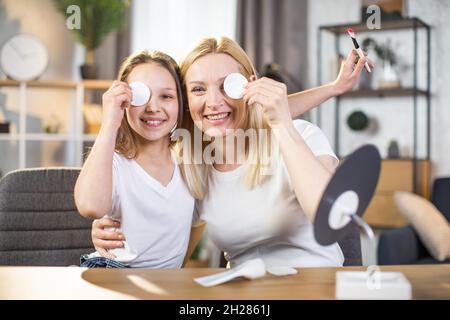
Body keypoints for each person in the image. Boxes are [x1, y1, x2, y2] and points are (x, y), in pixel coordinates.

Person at [90, 37, 374, 268]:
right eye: (198, 89)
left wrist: (282, 122)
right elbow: (173, 232)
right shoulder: (192, 166)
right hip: (242, 296)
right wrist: (117, 229)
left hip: (314, 288)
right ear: (186, 102)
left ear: (250, 86)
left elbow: (330, 215)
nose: (214, 102)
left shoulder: (302, 135)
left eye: (228, 86)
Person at [74, 50, 195, 268]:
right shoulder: (116, 164)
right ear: (125, 102)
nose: (153, 108)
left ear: (181, 102)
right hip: (113, 273)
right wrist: (110, 121)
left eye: (166, 96)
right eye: (141, 96)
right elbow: (90, 206)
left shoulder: (190, 164)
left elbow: (199, 221)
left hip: (162, 285)